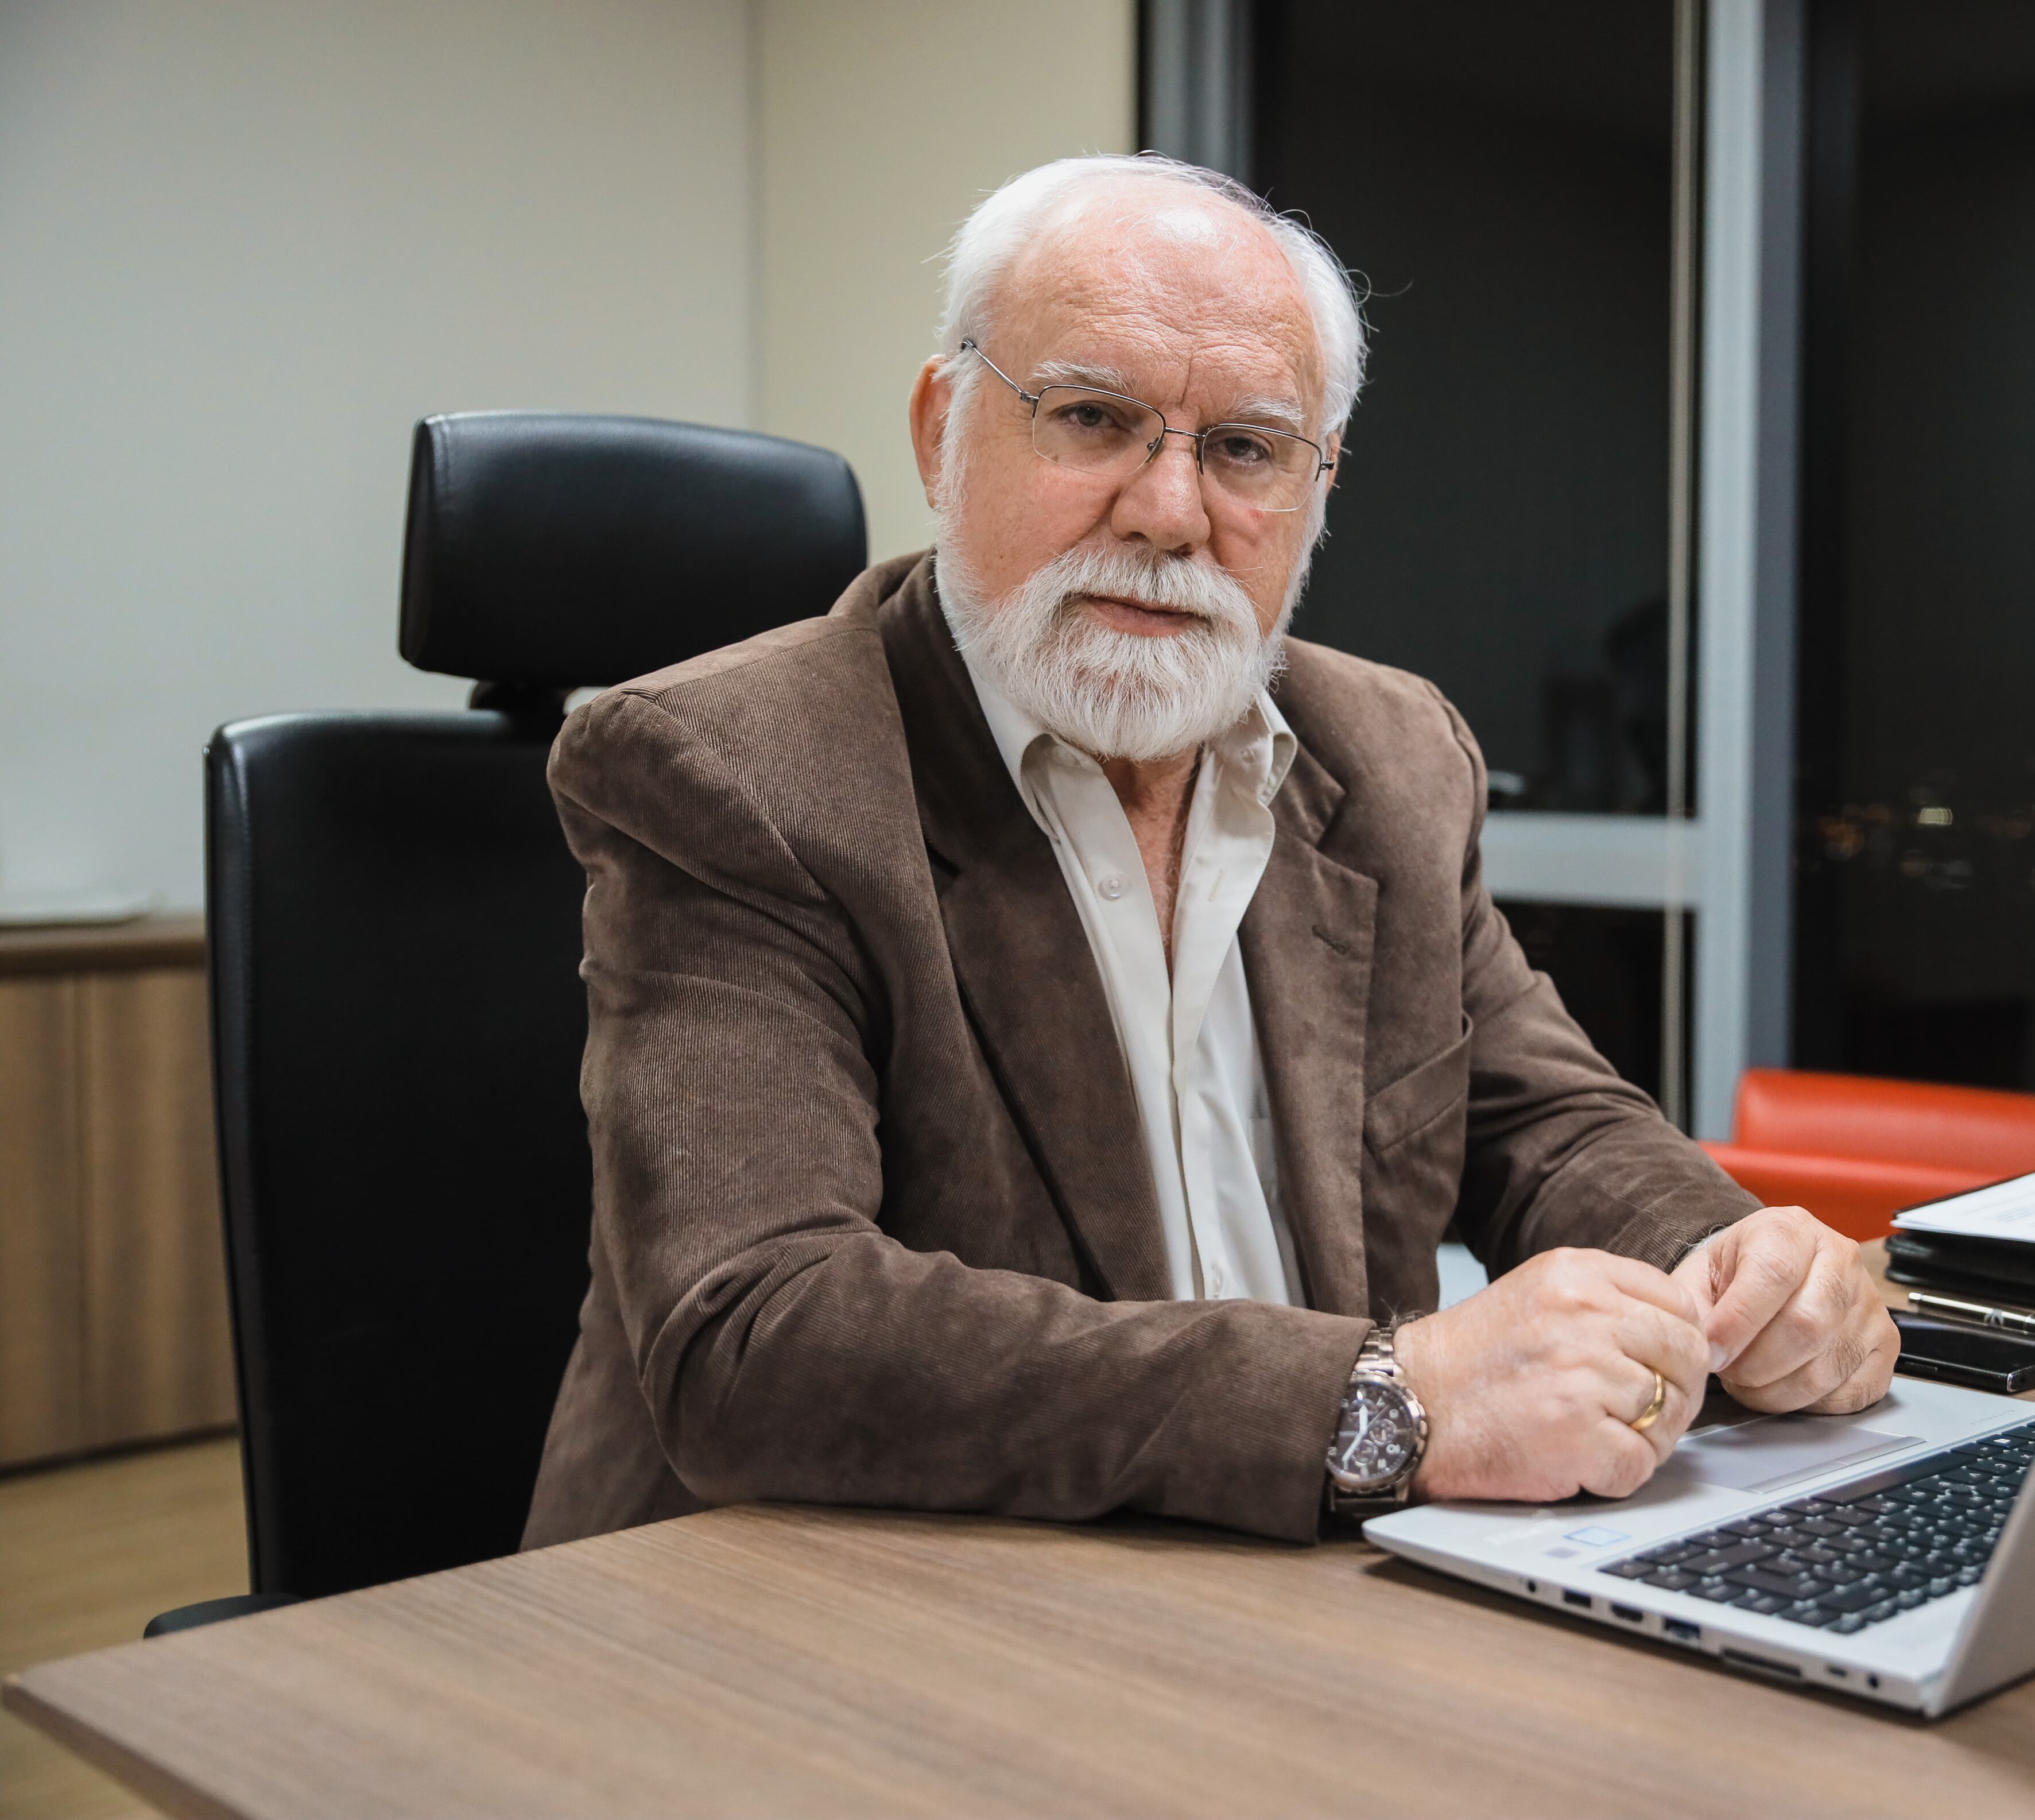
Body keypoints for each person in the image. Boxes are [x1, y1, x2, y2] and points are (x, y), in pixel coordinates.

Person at [522, 153, 1894, 1550]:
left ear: (1316, 482)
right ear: (944, 428)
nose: (1171, 511)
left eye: (1244, 446)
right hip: (809, 1622)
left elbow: (1540, 1122)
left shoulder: (1389, 754)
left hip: (1278, 1587)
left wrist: (1735, 1262)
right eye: (1094, 417)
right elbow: (762, 1332)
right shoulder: (735, 770)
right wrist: (1385, 1398)